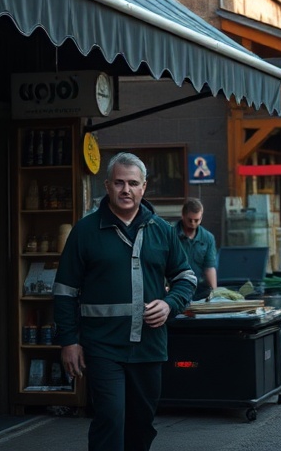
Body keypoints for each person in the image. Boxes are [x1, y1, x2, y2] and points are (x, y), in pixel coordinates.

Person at [54, 152, 196, 451]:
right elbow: (65, 290)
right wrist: (69, 341)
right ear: (106, 185)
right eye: (119, 182)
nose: (126, 190)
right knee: (110, 418)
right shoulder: (85, 231)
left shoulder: (162, 231)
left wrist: (170, 304)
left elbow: (187, 278)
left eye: (133, 183)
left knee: (141, 422)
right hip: (103, 347)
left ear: (144, 187)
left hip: (149, 346)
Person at [177, 197, 218, 301]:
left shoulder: (208, 238)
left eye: (197, 220)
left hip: (200, 290)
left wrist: (215, 292)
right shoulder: (170, 235)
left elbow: (209, 267)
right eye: (189, 220)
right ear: (183, 216)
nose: (193, 223)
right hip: (176, 289)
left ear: (201, 217)